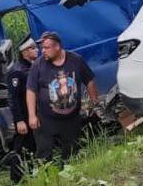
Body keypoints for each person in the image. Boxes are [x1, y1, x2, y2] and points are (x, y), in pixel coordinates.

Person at [26, 31, 98, 161]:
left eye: (47, 48)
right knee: (44, 154)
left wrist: (95, 102)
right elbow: (31, 90)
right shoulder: (38, 65)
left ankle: (70, 175)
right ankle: (46, 177)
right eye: (42, 48)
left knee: (71, 153)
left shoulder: (75, 60)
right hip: (46, 119)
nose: (43, 51)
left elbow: (89, 80)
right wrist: (32, 115)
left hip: (71, 118)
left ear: (57, 47)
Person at [4, 37, 38, 177]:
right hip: (24, 116)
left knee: (31, 146)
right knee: (21, 147)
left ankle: (30, 173)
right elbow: (13, 98)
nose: (36, 50)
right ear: (24, 52)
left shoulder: (31, 66)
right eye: (32, 48)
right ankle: (16, 178)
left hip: (32, 113)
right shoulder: (17, 71)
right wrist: (19, 120)